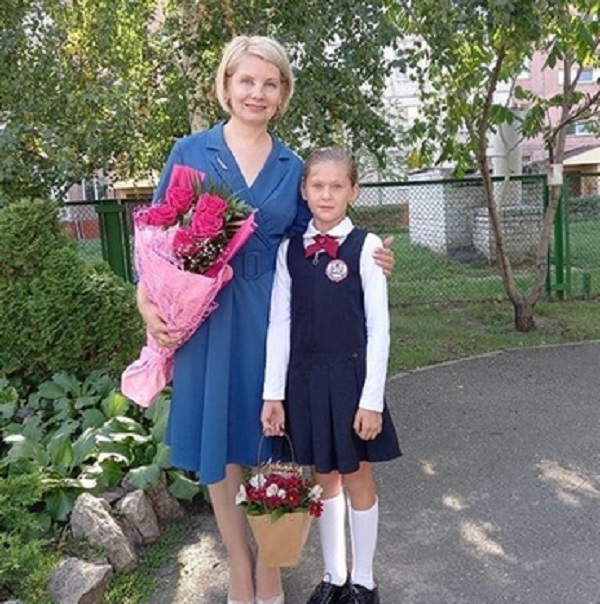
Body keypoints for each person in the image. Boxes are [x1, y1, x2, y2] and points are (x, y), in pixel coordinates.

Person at [136, 37, 394, 604]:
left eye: (270, 83)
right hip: (204, 321)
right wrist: (146, 304)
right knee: (222, 444)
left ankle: (271, 564)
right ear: (226, 86)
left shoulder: (293, 167)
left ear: (283, 94)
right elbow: (154, 238)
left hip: (274, 322)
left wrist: (370, 255)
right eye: (246, 80)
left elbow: (318, 239)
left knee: (271, 441)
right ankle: (239, 565)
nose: (257, 92)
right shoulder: (190, 151)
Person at [261, 147, 401, 604]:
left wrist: (371, 400)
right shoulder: (289, 252)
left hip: (351, 381)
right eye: (317, 185)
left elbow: (379, 329)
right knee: (324, 478)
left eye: (337, 186)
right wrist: (273, 394)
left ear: (353, 191)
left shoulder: (367, 247)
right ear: (304, 190)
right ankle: (334, 575)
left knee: (357, 476)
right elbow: (280, 323)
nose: (326, 195)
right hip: (304, 381)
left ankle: (364, 582)